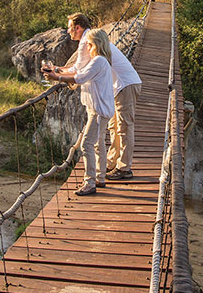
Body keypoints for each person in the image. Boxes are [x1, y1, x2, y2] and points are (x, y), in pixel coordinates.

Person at [53, 13, 142, 180]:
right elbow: (82, 69)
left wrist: (56, 73)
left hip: (126, 84)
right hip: (120, 86)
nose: (68, 30)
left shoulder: (88, 40)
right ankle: (111, 162)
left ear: (77, 28)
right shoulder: (91, 37)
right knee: (114, 127)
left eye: (70, 27)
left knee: (124, 127)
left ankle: (124, 168)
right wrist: (58, 70)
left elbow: (78, 72)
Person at [45, 29, 115, 196]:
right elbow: (80, 73)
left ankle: (90, 183)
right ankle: (100, 177)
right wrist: (58, 72)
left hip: (98, 111)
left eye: (89, 45)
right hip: (100, 110)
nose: (87, 48)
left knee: (86, 144)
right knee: (97, 144)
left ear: (96, 45)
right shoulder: (101, 61)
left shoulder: (98, 61)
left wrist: (56, 78)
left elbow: (79, 78)